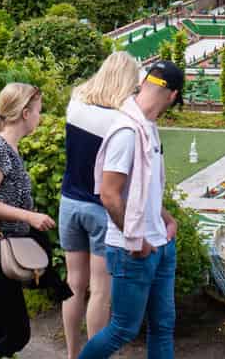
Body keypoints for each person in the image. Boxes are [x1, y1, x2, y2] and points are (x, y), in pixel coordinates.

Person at [77, 59, 184, 359]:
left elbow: (142, 189)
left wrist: (166, 219)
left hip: (160, 243)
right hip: (133, 249)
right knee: (122, 329)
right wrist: (135, 238)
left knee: (163, 326)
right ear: (173, 96)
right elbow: (109, 196)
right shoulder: (126, 130)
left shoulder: (147, 126)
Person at [0, 83, 68, 356]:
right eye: (38, 111)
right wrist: (30, 217)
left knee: (1, 331)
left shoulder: (7, 146)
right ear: (25, 113)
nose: (40, 117)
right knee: (17, 332)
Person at [60, 53, 142, 359]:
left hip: (69, 202)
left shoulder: (75, 103)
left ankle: (71, 354)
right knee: (100, 291)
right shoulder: (120, 120)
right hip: (98, 208)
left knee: (73, 286)